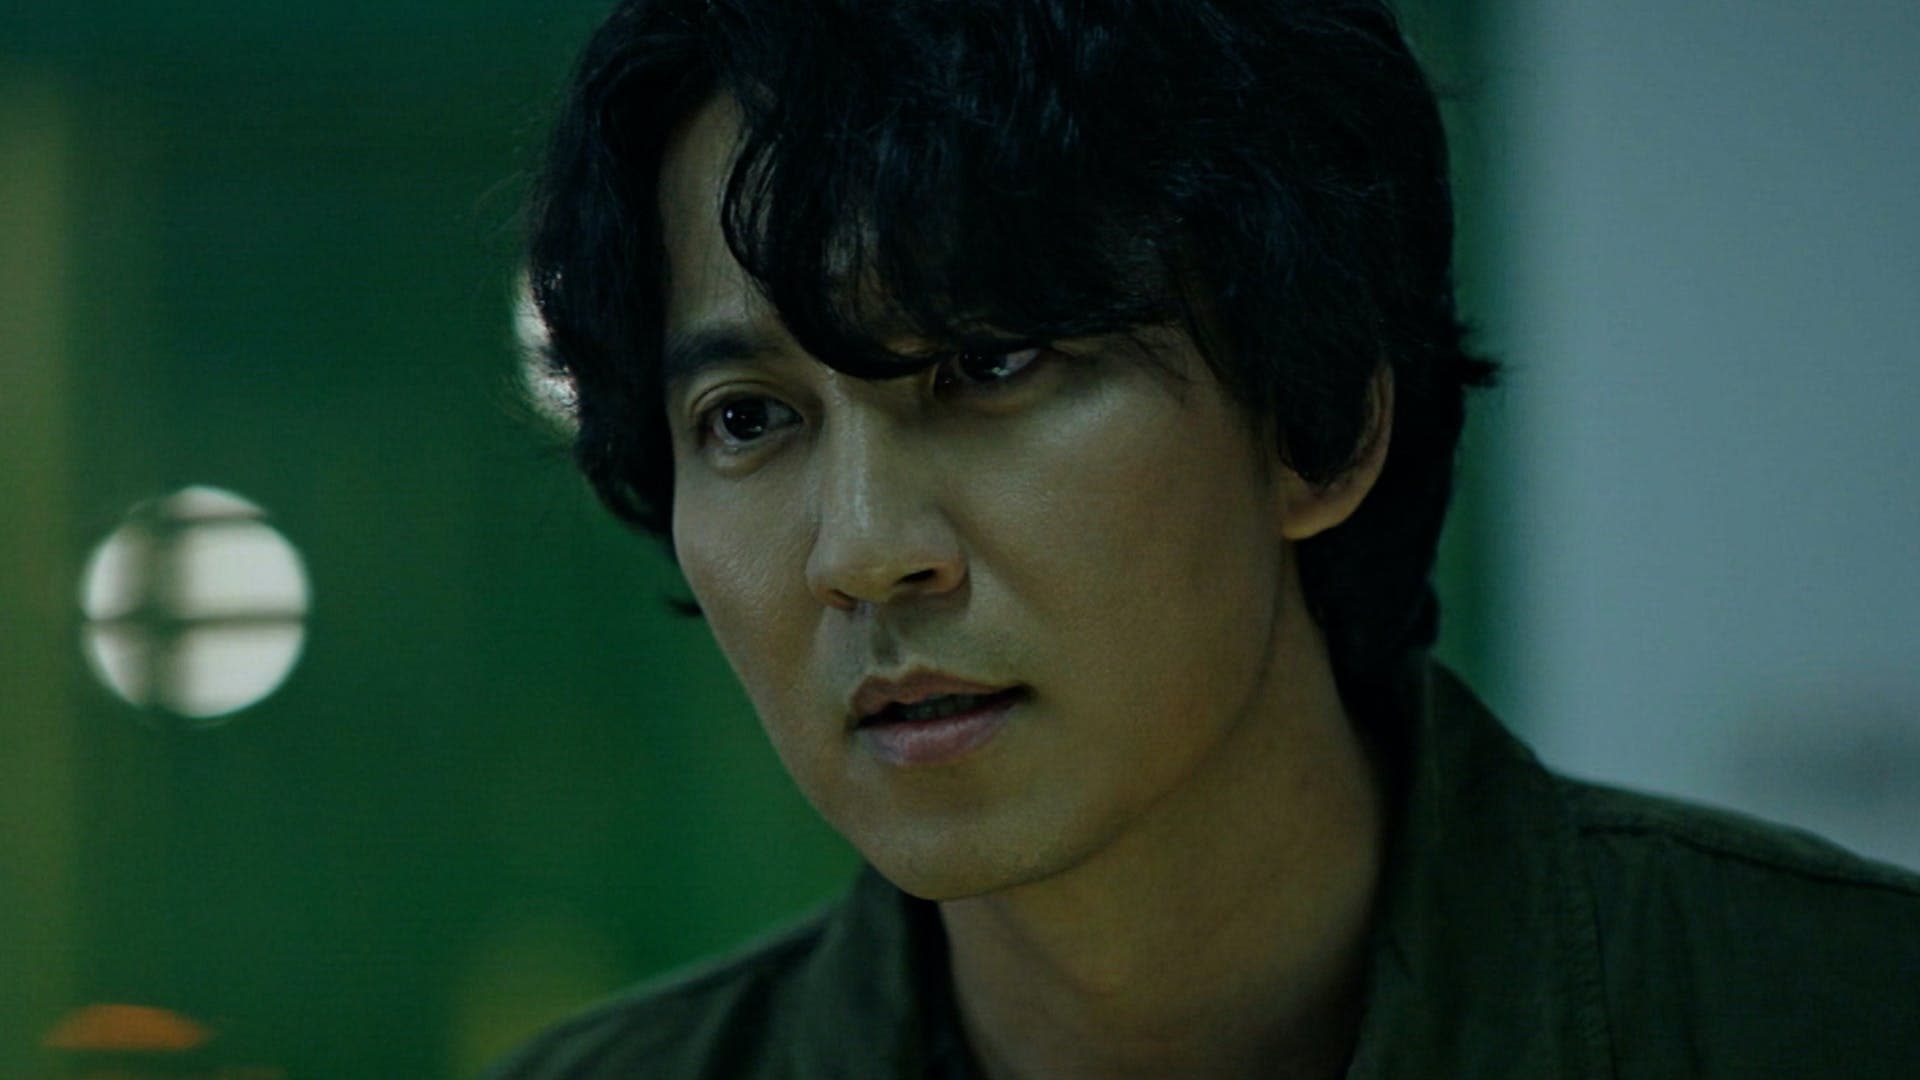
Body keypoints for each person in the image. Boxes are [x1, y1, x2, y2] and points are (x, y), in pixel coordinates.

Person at [491, 1, 1920, 1076]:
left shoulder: (1836, 1013)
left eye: (991, 365)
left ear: (1316, 426)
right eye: (747, 419)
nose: (863, 553)